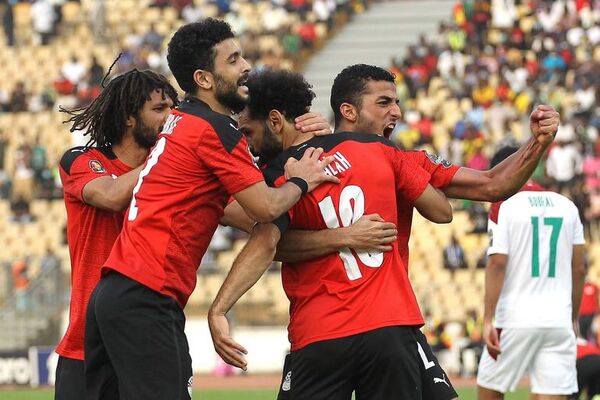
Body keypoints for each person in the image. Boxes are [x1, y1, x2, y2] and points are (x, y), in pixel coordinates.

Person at [271, 64, 560, 400]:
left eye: (396, 102)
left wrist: (538, 143)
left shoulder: (315, 162)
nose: (396, 111)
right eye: (383, 103)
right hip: (352, 328)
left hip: (363, 326)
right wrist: (344, 236)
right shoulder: (320, 163)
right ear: (348, 111)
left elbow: (491, 184)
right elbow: (270, 239)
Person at [84, 19, 337, 400]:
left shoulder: (183, 122)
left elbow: (241, 214)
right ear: (203, 78)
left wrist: (295, 136)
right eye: (233, 59)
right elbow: (266, 207)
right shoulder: (215, 129)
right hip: (148, 294)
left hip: (115, 294)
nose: (246, 67)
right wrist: (301, 177)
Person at [209, 68, 453, 400]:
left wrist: (219, 308)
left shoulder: (283, 174)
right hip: (390, 324)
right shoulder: (380, 150)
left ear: (277, 121)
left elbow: (261, 234)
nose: (246, 144)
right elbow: (450, 208)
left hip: (322, 332)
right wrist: (345, 235)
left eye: (249, 132)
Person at [56, 68, 179, 400]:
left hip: (150, 345)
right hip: (84, 347)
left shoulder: (174, 174)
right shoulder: (82, 159)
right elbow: (111, 197)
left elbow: (244, 212)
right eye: (159, 109)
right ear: (128, 117)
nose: (170, 118)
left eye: (172, 108)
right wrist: (166, 156)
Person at [477, 146, 586, 399]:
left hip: (515, 318)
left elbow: (497, 263)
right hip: (558, 319)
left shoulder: (503, 204)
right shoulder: (566, 205)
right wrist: (572, 317)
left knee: (489, 389)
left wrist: (487, 319)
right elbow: (579, 269)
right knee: (550, 393)